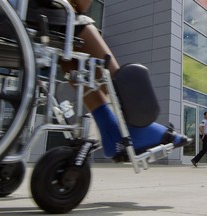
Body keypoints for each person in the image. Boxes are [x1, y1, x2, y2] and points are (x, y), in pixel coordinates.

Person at [27, 0, 192, 161]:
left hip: (18, 16)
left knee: (70, 53)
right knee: (78, 23)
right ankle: (135, 129)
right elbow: (81, 4)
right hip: (30, 15)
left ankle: (111, 130)